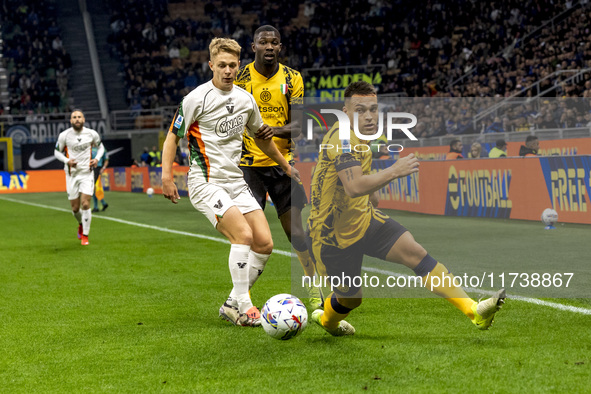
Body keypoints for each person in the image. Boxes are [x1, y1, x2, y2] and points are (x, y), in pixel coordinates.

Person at [307, 82, 505, 336]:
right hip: (331, 235)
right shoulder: (341, 139)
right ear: (345, 112)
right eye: (360, 110)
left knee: (415, 252)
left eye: (373, 109)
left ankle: (475, 312)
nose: (368, 116)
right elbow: (354, 186)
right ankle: (327, 321)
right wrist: (394, 171)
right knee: (351, 299)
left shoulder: (360, 137)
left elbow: (361, 180)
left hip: (363, 218)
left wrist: (374, 196)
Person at [161, 38, 300, 327]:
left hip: (235, 182)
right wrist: (166, 177)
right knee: (243, 236)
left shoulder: (245, 100)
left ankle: (230, 304)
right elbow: (172, 137)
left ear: (239, 65)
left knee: (264, 243)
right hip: (206, 182)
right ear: (211, 65)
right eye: (221, 65)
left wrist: (286, 165)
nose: (227, 70)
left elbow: (263, 138)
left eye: (232, 65)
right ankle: (246, 305)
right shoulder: (196, 99)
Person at [233, 25, 324, 309]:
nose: (269, 46)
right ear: (253, 47)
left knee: (297, 233)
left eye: (274, 42)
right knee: (249, 238)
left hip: (284, 165)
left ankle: (314, 290)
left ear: (280, 47)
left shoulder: (292, 78)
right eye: (264, 42)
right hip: (249, 166)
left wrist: (270, 129)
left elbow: (297, 126)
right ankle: (240, 299)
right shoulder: (241, 77)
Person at [54, 109, 103, 246]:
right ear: (71, 121)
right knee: (75, 209)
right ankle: (81, 224)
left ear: (83, 119)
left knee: (86, 203)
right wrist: (67, 161)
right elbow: (56, 152)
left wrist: (97, 158)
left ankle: (85, 236)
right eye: (74, 117)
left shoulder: (91, 134)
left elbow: (101, 148)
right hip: (71, 175)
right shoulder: (64, 136)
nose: (77, 119)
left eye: (79, 117)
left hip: (87, 173)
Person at [92, 145, 109, 212]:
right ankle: (103, 203)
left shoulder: (102, 148)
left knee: (94, 187)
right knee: (95, 187)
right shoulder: (89, 147)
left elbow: (106, 159)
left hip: (97, 168)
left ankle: (96, 206)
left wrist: (103, 168)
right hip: (91, 168)